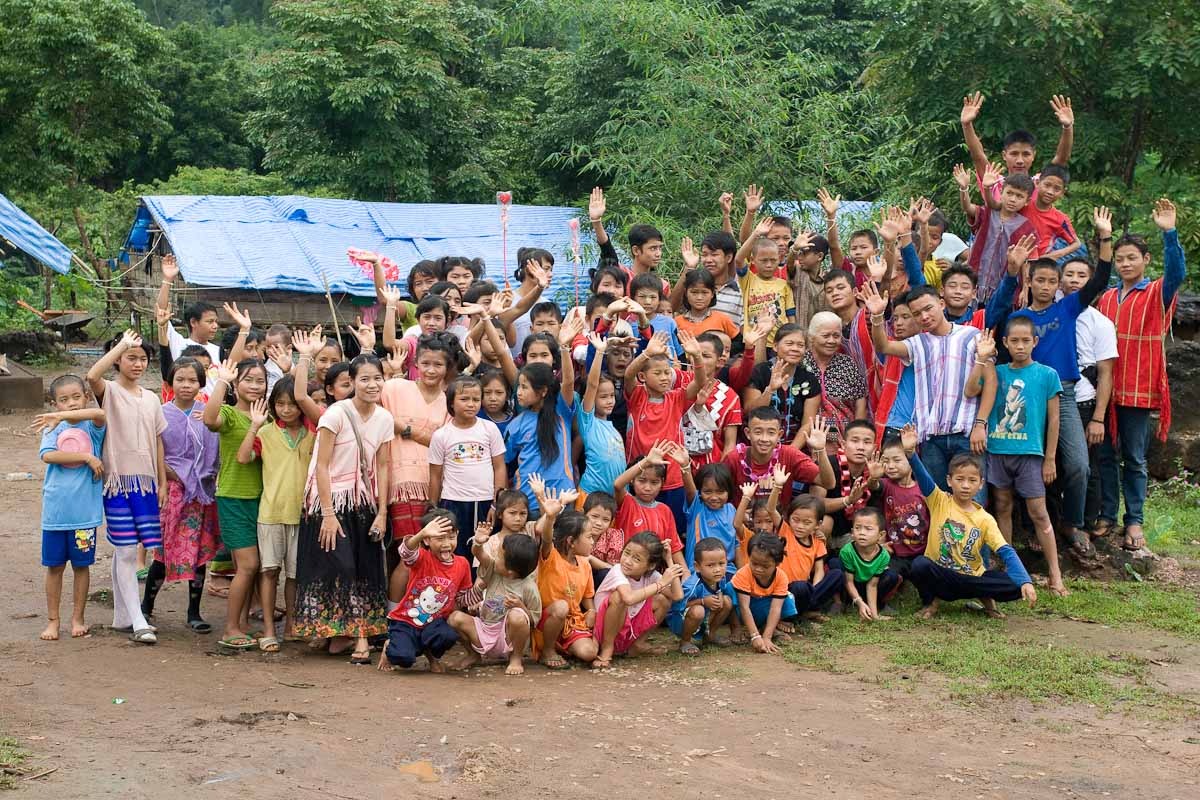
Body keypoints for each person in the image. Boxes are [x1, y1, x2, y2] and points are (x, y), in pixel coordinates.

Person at [994, 207, 1114, 557]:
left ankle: (1071, 523)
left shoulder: (1068, 308)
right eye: (1040, 280)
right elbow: (997, 315)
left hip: (1064, 393)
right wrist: (1012, 271)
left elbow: (1100, 280)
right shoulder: (1018, 317)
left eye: (1052, 281)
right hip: (1024, 395)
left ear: (1058, 284)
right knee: (1029, 464)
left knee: (1077, 464)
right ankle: (1034, 526)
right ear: (1030, 282)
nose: (1046, 286)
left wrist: (1105, 236)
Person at [1096, 199, 1187, 551]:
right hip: (1105, 388)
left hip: (1139, 387)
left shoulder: (1156, 292)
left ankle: (1134, 520)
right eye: (1120, 259)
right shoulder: (1106, 297)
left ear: (1145, 260)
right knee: (1104, 456)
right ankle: (1107, 515)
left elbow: (1176, 272)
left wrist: (1170, 233)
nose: (1125, 264)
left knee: (1134, 458)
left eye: (1132, 258)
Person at [296, 354, 394, 664]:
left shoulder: (384, 418)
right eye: (364, 379)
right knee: (340, 565)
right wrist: (328, 514)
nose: (372, 385)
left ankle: (341, 635)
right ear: (352, 382)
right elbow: (321, 466)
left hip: (362, 501)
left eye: (377, 378)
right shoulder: (336, 414)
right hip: (329, 501)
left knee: (363, 567)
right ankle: (359, 636)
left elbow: (383, 465)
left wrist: (382, 512)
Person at [863, 282, 992, 495]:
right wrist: (877, 316)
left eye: (928, 308)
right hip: (931, 438)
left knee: (973, 501)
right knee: (936, 502)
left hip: (966, 434)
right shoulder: (917, 343)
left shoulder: (972, 336)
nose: (924, 316)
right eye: (917, 313)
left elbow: (990, 384)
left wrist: (980, 424)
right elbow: (884, 346)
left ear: (941, 304)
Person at [900, 426, 1038, 619]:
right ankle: (931, 601)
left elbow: (1005, 551)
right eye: (960, 479)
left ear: (981, 484)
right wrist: (910, 454)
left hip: (972, 579)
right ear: (949, 481)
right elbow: (924, 478)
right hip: (942, 577)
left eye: (972, 480)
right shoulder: (939, 500)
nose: (965, 485)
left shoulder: (985, 519)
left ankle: (984, 596)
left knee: (1016, 583)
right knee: (920, 565)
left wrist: (1025, 581)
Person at [85, 331, 167, 645]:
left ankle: (122, 615)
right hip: (117, 482)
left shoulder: (152, 398)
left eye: (142, 358)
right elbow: (92, 376)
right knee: (126, 549)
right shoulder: (109, 391)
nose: (138, 364)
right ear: (118, 359)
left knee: (129, 549)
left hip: (145, 484)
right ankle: (137, 619)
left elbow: (158, 442)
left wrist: (162, 481)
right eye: (131, 357)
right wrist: (121, 345)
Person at [976, 322, 1068, 596]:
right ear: (1005, 342)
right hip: (998, 450)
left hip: (1030, 454)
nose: (1020, 346)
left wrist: (1050, 458)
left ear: (1034, 342)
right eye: (1014, 341)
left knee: (1038, 511)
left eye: (1025, 340)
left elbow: (1054, 420)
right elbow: (974, 390)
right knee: (1002, 507)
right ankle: (1011, 570)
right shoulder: (997, 372)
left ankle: (1055, 574)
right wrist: (983, 358)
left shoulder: (1047, 375)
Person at [235, 375, 315, 650]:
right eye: (280, 404)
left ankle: (291, 626)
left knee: (295, 575)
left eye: (292, 404)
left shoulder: (313, 433)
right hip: (270, 514)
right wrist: (254, 426)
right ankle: (269, 629)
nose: (286, 409)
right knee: (269, 572)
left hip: (302, 515)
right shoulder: (266, 433)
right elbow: (243, 457)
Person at [141, 358, 219, 634]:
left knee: (198, 553)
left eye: (193, 380)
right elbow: (151, 451)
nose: (186, 385)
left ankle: (193, 612)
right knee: (163, 553)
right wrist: (170, 474)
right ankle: (145, 608)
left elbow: (214, 452)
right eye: (180, 379)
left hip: (200, 494)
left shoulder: (207, 414)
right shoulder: (160, 414)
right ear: (170, 382)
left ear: (201, 384)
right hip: (171, 491)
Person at [33, 375, 106, 641]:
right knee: (54, 567)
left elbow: (100, 413)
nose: (72, 403)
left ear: (86, 396)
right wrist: (86, 456)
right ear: (55, 404)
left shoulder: (93, 427)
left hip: (84, 516)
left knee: (81, 567)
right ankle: (53, 620)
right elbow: (48, 455)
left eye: (76, 397)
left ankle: (78, 618)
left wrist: (61, 415)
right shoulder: (52, 426)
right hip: (56, 514)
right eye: (63, 400)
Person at [202, 357, 268, 651]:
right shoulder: (229, 414)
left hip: (262, 498)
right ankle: (230, 628)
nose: (255, 386)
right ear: (236, 384)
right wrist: (222, 381)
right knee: (247, 565)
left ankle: (242, 624)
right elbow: (209, 419)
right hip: (233, 497)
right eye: (248, 380)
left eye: (260, 380)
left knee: (255, 566)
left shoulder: (267, 417)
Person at [623, 330, 709, 531]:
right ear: (643, 376)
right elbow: (628, 375)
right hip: (641, 478)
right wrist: (646, 353)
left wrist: (697, 356)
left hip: (672, 479)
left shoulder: (676, 398)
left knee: (672, 530)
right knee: (640, 531)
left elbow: (699, 382)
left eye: (667, 372)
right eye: (657, 373)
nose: (664, 378)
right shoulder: (637, 397)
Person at [380, 333, 457, 551]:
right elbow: (376, 415)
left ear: (447, 368)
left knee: (429, 551)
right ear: (416, 363)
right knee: (411, 550)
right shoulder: (394, 388)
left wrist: (406, 429)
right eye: (425, 363)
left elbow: (446, 444)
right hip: (402, 484)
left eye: (438, 365)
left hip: (435, 486)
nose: (431, 370)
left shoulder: (449, 401)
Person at [1060, 257, 1119, 539]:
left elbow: (1106, 374)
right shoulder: (1052, 313)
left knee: (1086, 466)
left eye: (1081, 275)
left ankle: (1084, 523)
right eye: (1069, 274)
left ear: (1091, 280)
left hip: (1085, 402)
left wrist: (1098, 418)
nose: (1074, 280)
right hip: (1051, 400)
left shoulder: (1101, 323)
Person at [448, 509, 542, 675]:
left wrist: (520, 606)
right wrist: (478, 543)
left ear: (510, 571)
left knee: (518, 616)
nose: (494, 557)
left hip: (508, 637)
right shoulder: (494, 569)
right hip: (485, 629)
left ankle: (516, 658)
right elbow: (481, 555)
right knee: (454, 618)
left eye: (498, 556)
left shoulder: (529, 587)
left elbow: (534, 620)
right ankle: (473, 654)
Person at [380, 511, 471, 672]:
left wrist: (481, 588)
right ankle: (390, 646)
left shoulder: (462, 564)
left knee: (447, 635)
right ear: (427, 540)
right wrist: (421, 534)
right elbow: (405, 552)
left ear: (457, 534)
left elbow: (463, 597)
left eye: (451, 537)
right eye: (439, 538)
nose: (446, 544)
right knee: (403, 659)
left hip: (434, 623)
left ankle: (432, 657)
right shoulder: (421, 558)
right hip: (407, 621)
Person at [428, 374, 507, 559]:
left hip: (485, 502)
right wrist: (433, 507)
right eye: (464, 399)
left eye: (476, 399)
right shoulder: (441, 435)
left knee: (484, 553)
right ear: (451, 403)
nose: (471, 404)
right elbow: (435, 475)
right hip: (453, 502)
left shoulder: (489, 429)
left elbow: (499, 467)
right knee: (456, 553)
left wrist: (496, 504)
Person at [505, 331, 577, 517]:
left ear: (543, 391)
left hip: (563, 498)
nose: (519, 392)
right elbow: (503, 461)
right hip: (529, 502)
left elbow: (568, 382)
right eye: (518, 387)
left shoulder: (560, 412)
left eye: (524, 387)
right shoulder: (516, 424)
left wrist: (564, 348)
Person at [591, 532, 685, 669]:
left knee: (663, 600)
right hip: (603, 630)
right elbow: (628, 598)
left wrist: (669, 561)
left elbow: (677, 596)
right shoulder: (617, 570)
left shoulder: (651, 575)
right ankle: (607, 649)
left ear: (650, 566)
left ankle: (637, 644)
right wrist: (660, 584)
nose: (628, 561)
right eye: (627, 553)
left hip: (626, 628)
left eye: (636, 559)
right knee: (619, 597)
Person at [724, 407, 836, 508]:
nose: (764, 439)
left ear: (779, 435)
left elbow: (828, 483)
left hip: (778, 521)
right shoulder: (734, 458)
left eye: (771, 433)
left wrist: (821, 450)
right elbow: (720, 494)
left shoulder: (789, 455)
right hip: (741, 521)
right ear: (748, 433)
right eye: (758, 432)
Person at [960, 164, 1039, 304]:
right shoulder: (986, 213)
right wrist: (964, 188)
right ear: (1001, 192)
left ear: (1027, 201)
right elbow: (968, 208)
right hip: (974, 279)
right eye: (1009, 193)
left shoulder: (1026, 227)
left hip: (1003, 285)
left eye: (1019, 196)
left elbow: (1026, 261)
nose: (1013, 199)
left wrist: (1025, 289)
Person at [534, 499, 599, 669]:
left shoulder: (585, 564)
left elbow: (587, 596)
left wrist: (592, 611)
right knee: (561, 607)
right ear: (571, 541)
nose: (593, 541)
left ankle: (563, 646)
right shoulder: (551, 557)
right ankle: (547, 650)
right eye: (589, 537)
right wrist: (550, 517)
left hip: (572, 623)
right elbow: (546, 539)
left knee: (589, 653)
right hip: (547, 619)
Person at [612, 443, 687, 572]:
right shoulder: (626, 502)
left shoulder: (664, 510)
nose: (647, 488)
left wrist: (685, 571)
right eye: (642, 480)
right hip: (626, 570)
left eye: (654, 482)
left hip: (655, 574)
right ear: (632, 480)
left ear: (662, 483)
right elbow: (617, 485)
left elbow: (674, 547)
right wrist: (646, 461)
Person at [743, 322, 820, 445]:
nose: (795, 348)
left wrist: (790, 452)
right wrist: (770, 390)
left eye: (800, 345)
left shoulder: (809, 379)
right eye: (789, 344)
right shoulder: (760, 372)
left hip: (794, 447)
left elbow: (807, 424)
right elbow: (749, 412)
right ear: (775, 346)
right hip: (759, 445)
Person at [805, 312, 868, 451]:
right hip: (806, 438)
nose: (831, 341)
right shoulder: (801, 363)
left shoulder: (846, 363)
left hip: (843, 439)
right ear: (812, 337)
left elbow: (860, 401)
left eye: (836, 336)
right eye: (825, 336)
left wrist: (856, 434)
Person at [576, 332, 626, 496]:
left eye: (612, 395)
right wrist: (599, 352)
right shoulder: (588, 422)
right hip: (590, 495)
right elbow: (592, 384)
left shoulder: (614, 430)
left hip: (613, 499)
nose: (610, 400)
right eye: (603, 397)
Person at [730, 532, 798, 653]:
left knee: (787, 598)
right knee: (729, 589)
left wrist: (767, 637)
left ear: (777, 564)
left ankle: (768, 628)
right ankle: (736, 628)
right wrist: (755, 636)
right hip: (743, 610)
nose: (758, 569)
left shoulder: (781, 577)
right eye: (754, 563)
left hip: (764, 608)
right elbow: (744, 607)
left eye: (765, 566)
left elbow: (776, 608)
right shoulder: (744, 574)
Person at [667, 537, 735, 656]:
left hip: (704, 617)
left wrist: (719, 596)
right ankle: (685, 641)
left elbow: (719, 589)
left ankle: (710, 635)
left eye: (721, 564)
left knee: (727, 601)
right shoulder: (692, 585)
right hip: (681, 620)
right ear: (697, 566)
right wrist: (702, 601)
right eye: (710, 565)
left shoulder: (721, 577)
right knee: (698, 610)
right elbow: (677, 607)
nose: (717, 569)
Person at [779, 495, 843, 619]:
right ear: (788, 518)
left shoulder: (817, 542)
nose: (800, 526)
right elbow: (771, 510)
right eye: (795, 520)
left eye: (807, 523)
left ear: (818, 524)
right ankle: (806, 610)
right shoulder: (785, 531)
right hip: (786, 589)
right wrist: (777, 487)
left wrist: (813, 590)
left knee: (837, 574)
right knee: (800, 586)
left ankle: (806, 607)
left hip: (806, 589)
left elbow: (819, 570)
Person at [737, 223, 796, 347]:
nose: (769, 265)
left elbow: (790, 315)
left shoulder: (784, 285)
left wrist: (793, 337)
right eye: (764, 260)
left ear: (779, 259)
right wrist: (755, 234)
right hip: (754, 341)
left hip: (779, 343)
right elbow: (738, 259)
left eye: (773, 260)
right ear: (753, 260)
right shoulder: (748, 280)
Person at [878, 436, 928, 581]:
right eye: (886, 461)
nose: (890, 466)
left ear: (912, 461)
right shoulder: (885, 485)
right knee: (886, 576)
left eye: (897, 460)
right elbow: (875, 486)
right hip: (894, 553)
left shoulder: (924, 489)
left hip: (922, 552)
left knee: (924, 570)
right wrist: (873, 478)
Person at [669, 230, 743, 328]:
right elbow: (670, 308)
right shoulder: (695, 287)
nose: (708, 260)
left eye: (714, 254)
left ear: (728, 258)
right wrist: (689, 267)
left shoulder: (740, 290)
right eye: (704, 255)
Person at [839, 508, 900, 622]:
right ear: (852, 532)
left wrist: (874, 616)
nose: (862, 532)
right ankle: (846, 604)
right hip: (852, 585)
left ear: (880, 535)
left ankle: (875, 607)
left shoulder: (883, 556)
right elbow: (849, 582)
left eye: (868, 529)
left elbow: (872, 585)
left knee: (892, 576)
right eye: (858, 528)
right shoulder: (847, 551)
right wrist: (859, 602)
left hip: (869, 585)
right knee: (836, 568)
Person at [680, 462, 741, 577]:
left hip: (727, 571)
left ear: (728, 491)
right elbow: (690, 491)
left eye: (720, 492)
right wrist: (685, 466)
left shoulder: (731, 509)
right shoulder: (697, 506)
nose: (714, 497)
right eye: (707, 492)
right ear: (700, 492)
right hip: (699, 573)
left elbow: (736, 543)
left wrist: (742, 574)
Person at [673, 260, 740, 340]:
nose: (699, 297)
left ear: (712, 294)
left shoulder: (722, 320)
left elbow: (738, 342)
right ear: (686, 293)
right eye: (694, 292)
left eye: (704, 292)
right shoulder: (677, 322)